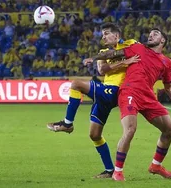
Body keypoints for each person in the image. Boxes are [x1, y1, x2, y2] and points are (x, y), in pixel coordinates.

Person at [83, 28, 171, 181]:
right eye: (150, 33)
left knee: (170, 130)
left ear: (163, 40)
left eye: (155, 34)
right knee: (130, 129)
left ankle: (156, 166)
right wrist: (94, 57)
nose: (150, 35)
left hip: (148, 96)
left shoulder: (167, 62)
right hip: (129, 92)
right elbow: (112, 54)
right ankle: (118, 171)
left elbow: (169, 87)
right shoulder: (137, 49)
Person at [47, 23, 140, 178]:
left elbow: (143, 53)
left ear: (116, 35)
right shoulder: (103, 52)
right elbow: (102, 70)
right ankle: (109, 171)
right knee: (94, 135)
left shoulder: (131, 44)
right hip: (105, 92)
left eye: (106, 33)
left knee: (76, 84)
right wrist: (124, 62)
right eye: (102, 34)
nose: (103, 37)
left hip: (116, 90)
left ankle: (67, 124)